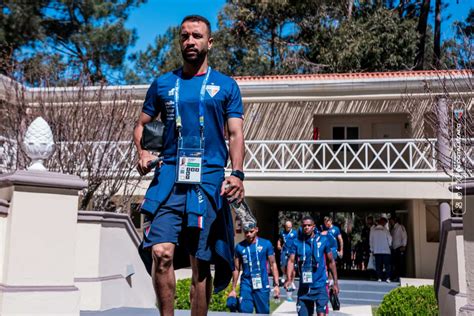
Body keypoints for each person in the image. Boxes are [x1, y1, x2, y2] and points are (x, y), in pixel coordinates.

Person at [133, 15, 245, 316]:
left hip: (206, 178)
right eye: (185, 36)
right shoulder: (163, 84)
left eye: (197, 36)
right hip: (169, 175)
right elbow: (141, 125)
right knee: (161, 252)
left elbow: (235, 133)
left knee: (199, 262)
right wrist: (142, 153)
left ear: (210, 42)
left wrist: (236, 173)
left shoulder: (225, 86)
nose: (190, 41)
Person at [285, 216, 339, 316]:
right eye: (304, 225)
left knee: (321, 314)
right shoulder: (297, 242)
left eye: (309, 225)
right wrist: (289, 279)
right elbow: (291, 261)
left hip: (320, 285)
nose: (306, 227)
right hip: (304, 287)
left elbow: (331, 261)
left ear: (313, 226)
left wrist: (335, 283)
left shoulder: (323, 240)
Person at [228, 223, 280, 314]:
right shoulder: (239, 247)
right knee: (244, 312)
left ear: (256, 229)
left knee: (263, 313)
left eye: (251, 231)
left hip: (262, 284)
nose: (248, 234)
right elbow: (236, 268)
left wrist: (276, 285)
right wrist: (233, 289)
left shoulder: (266, 244)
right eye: (246, 232)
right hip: (246, 284)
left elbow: (273, 264)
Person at [370, 217, 392, 283]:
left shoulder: (373, 231)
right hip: (386, 251)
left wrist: (372, 249)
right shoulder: (385, 230)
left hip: (377, 250)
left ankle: (379, 277)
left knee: (378, 265)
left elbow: (371, 240)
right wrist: (389, 246)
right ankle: (387, 278)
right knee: (387, 265)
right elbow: (390, 239)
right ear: (383, 223)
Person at [277, 220, 297, 288]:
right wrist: (279, 245)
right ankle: (284, 275)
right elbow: (279, 239)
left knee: (293, 267)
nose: (288, 228)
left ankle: (292, 281)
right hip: (284, 250)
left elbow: (298, 241)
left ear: (291, 226)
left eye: (289, 227)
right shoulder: (282, 232)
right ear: (285, 227)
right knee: (282, 265)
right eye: (287, 227)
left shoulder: (295, 233)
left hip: (292, 251)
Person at [389, 215, 407, 281]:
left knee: (400, 264)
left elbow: (404, 236)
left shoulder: (400, 227)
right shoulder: (393, 228)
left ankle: (401, 277)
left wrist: (404, 245)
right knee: (396, 264)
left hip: (399, 248)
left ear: (394, 220)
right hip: (394, 248)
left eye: (391, 221)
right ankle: (396, 276)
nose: (390, 222)